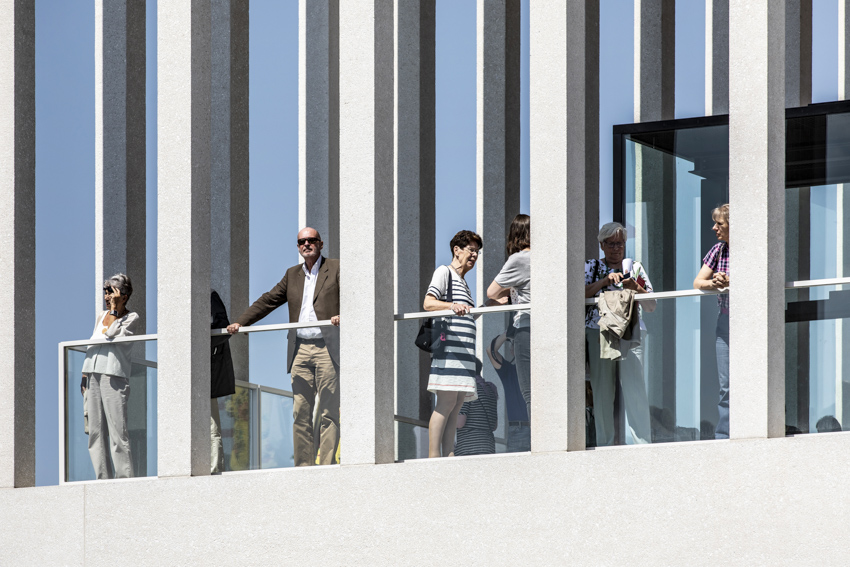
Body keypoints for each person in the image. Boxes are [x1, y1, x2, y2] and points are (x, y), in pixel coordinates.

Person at [227, 227, 340, 466]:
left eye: (311, 240)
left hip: (326, 348)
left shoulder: (336, 268)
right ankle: (304, 467)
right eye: (301, 242)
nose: (306, 244)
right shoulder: (292, 274)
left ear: (321, 244)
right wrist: (241, 321)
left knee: (329, 412)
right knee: (300, 412)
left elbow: (356, 296)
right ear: (298, 246)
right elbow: (269, 300)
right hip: (300, 349)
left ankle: (327, 466)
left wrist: (343, 315)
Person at [584, 222, 655, 446]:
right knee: (602, 392)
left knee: (636, 390)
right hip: (599, 331)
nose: (617, 248)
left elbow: (652, 304)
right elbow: (577, 295)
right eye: (611, 243)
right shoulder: (591, 267)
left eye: (620, 243)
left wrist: (636, 288)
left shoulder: (634, 267)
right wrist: (605, 281)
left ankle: (643, 445)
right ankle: (605, 445)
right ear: (602, 245)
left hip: (631, 332)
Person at [424, 230, 482, 458]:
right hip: (449, 353)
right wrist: (451, 306)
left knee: (455, 405)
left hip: (463, 355)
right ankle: (433, 457)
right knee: (446, 403)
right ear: (456, 250)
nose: (475, 255)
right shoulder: (444, 272)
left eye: (477, 252)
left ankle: (449, 456)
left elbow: (464, 315)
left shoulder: (463, 283)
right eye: (471, 250)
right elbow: (428, 303)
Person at [80, 273, 142, 479]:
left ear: (124, 296)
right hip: (93, 374)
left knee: (118, 431)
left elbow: (112, 336)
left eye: (112, 292)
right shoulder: (100, 316)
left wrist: (115, 310)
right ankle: (101, 478)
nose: (107, 296)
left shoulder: (131, 318)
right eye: (105, 292)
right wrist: (84, 374)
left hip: (113, 376)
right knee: (95, 431)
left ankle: (123, 478)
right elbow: (93, 343)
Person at [486, 214, 531, 421]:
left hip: (526, 325)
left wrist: (504, 295)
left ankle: (540, 448)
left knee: (529, 392)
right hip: (548, 325)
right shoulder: (546, 257)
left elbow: (491, 292)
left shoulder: (519, 259)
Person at [693, 204, 730, 440]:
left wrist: (729, 280)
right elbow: (698, 282)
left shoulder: (753, 249)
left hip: (752, 323)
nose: (714, 228)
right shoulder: (718, 250)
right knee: (726, 385)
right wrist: (716, 283)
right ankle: (725, 436)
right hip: (725, 323)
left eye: (720, 224)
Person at [485, 331, 530, 452]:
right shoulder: (508, 371)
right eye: (517, 345)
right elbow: (491, 350)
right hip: (517, 429)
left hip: (540, 428)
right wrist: (509, 332)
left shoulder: (539, 370)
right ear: (512, 351)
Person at [210, 290, 236, 474]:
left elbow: (224, 329)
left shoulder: (209, 295)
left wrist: (199, 342)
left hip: (206, 372)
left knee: (211, 426)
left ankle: (214, 469)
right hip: (184, 375)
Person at [455, 360, 499, 456]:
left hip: (469, 448)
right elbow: (494, 425)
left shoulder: (468, 389)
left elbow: (460, 423)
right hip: (489, 447)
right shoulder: (490, 390)